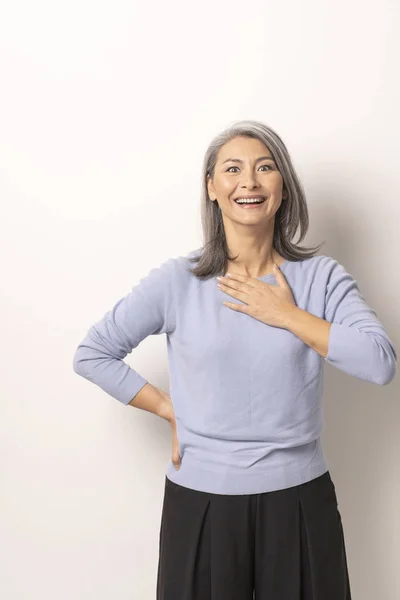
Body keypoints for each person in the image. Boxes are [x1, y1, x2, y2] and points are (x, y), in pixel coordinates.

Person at [72, 120, 397, 599]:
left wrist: (287, 315)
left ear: (283, 188)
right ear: (212, 188)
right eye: (233, 169)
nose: (249, 181)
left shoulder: (321, 279)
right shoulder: (177, 281)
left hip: (300, 501)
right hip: (201, 503)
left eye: (265, 168)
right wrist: (168, 408)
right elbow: (93, 353)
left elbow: (380, 362)